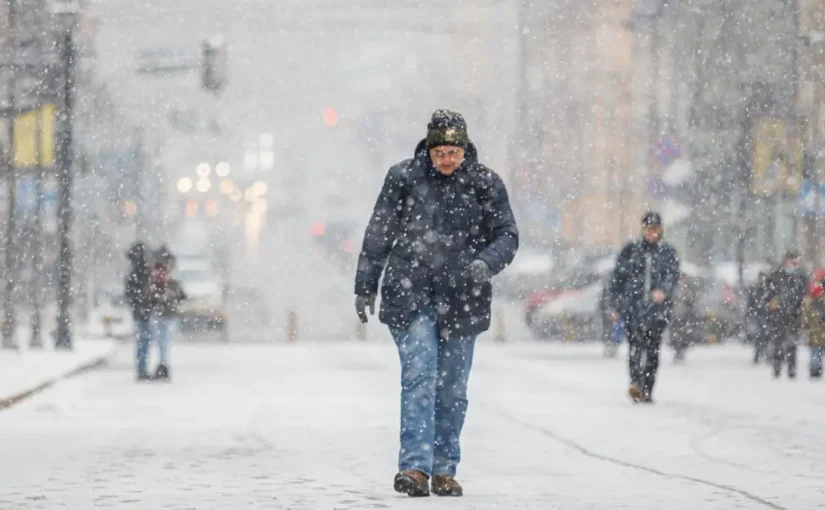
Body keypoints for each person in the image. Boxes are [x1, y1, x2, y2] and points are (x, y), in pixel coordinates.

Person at [354, 109, 518, 498]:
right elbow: (379, 233)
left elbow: (507, 235)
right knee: (420, 376)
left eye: (453, 152)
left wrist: (485, 263)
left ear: (465, 149)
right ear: (428, 149)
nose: (447, 159)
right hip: (409, 292)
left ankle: (444, 468)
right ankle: (414, 466)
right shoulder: (403, 179)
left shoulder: (485, 184)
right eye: (440, 151)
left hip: (463, 295)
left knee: (453, 387)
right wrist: (365, 285)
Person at [608, 211, 680, 403]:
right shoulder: (630, 251)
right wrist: (616, 305)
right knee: (635, 348)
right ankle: (635, 384)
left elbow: (672, 277)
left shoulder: (668, 253)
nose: (652, 233)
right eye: (648, 229)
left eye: (655, 229)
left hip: (657, 311)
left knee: (652, 350)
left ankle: (647, 388)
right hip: (633, 309)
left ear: (661, 230)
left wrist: (663, 292)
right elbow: (617, 280)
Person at [765, 250, 809, 379]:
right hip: (779, 314)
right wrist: (771, 303)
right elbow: (769, 293)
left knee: (792, 344)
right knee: (778, 342)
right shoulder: (777, 275)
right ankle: (777, 368)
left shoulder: (801, 276)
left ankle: (791, 370)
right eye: (791, 259)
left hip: (794, 314)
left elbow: (803, 295)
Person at [148, 257, 187, 381]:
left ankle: (163, 365)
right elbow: (149, 299)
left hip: (167, 316)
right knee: (162, 342)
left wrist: (169, 299)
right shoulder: (158, 284)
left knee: (163, 342)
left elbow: (182, 296)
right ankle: (163, 364)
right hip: (162, 316)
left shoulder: (169, 284)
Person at [125, 242, 152, 381]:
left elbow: (129, 294)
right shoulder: (142, 271)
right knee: (144, 340)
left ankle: (141, 368)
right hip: (144, 311)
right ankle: (142, 368)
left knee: (142, 340)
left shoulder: (134, 271)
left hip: (139, 311)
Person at [669, 272, 697, 364]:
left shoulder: (688, 289)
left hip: (684, 316)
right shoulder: (674, 288)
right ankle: (677, 351)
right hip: (675, 316)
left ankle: (680, 351)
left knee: (683, 335)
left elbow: (691, 302)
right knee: (675, 335)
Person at [801, 278, 825, 379]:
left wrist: (806, 328)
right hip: (818, 333)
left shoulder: (811, 304)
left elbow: (806, 319)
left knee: (815, 353)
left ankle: (815, 370)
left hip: (815, 333)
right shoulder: (815, 304)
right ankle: (816, 369)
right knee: (817, 352)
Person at [747, 271, 771, 364]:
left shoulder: (767, 289)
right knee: (760, 335)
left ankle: (764, 354)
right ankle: (758, 354)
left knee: (765, 336)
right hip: (758, 315)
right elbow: (750, 303)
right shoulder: (755, 289)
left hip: (766, 315)